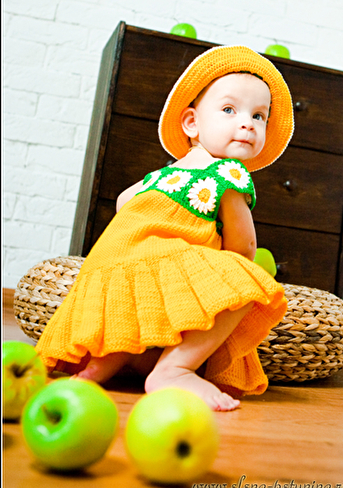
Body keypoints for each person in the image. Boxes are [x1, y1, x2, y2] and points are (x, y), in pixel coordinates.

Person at [36, 45, 294, 411]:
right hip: (162, 266)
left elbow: (124, 201)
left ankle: (105, 364)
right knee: (249, 283)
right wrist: (212, 271)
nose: (247, 123)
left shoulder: (162, 174)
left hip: (109, 267)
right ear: (191, 123)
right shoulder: (228, 173)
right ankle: (174, 370)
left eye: (259, 116)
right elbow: (244, 250)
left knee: (140, 307)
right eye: (229, 110)